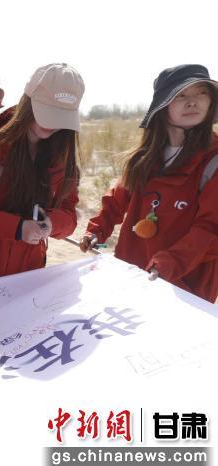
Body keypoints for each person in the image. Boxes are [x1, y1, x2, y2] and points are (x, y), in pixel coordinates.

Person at [80, 65, 218, 303]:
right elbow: (116, 201)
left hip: (184, 286)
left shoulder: (213, 161)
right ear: (163, 106)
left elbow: (210, 228)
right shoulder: (145, 158)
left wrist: (169, 263)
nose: (192, 102)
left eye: (201, 93)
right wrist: (96, 231)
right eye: (181, 95)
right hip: (133, 273)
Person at [0, 63, 84, 283]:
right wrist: (17, 228)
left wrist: (51, 223)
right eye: (47, 112)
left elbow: (70, 214)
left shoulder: (62, 160)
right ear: (28, 104)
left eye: (60, 117)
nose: (52, 124)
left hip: (29, 278)